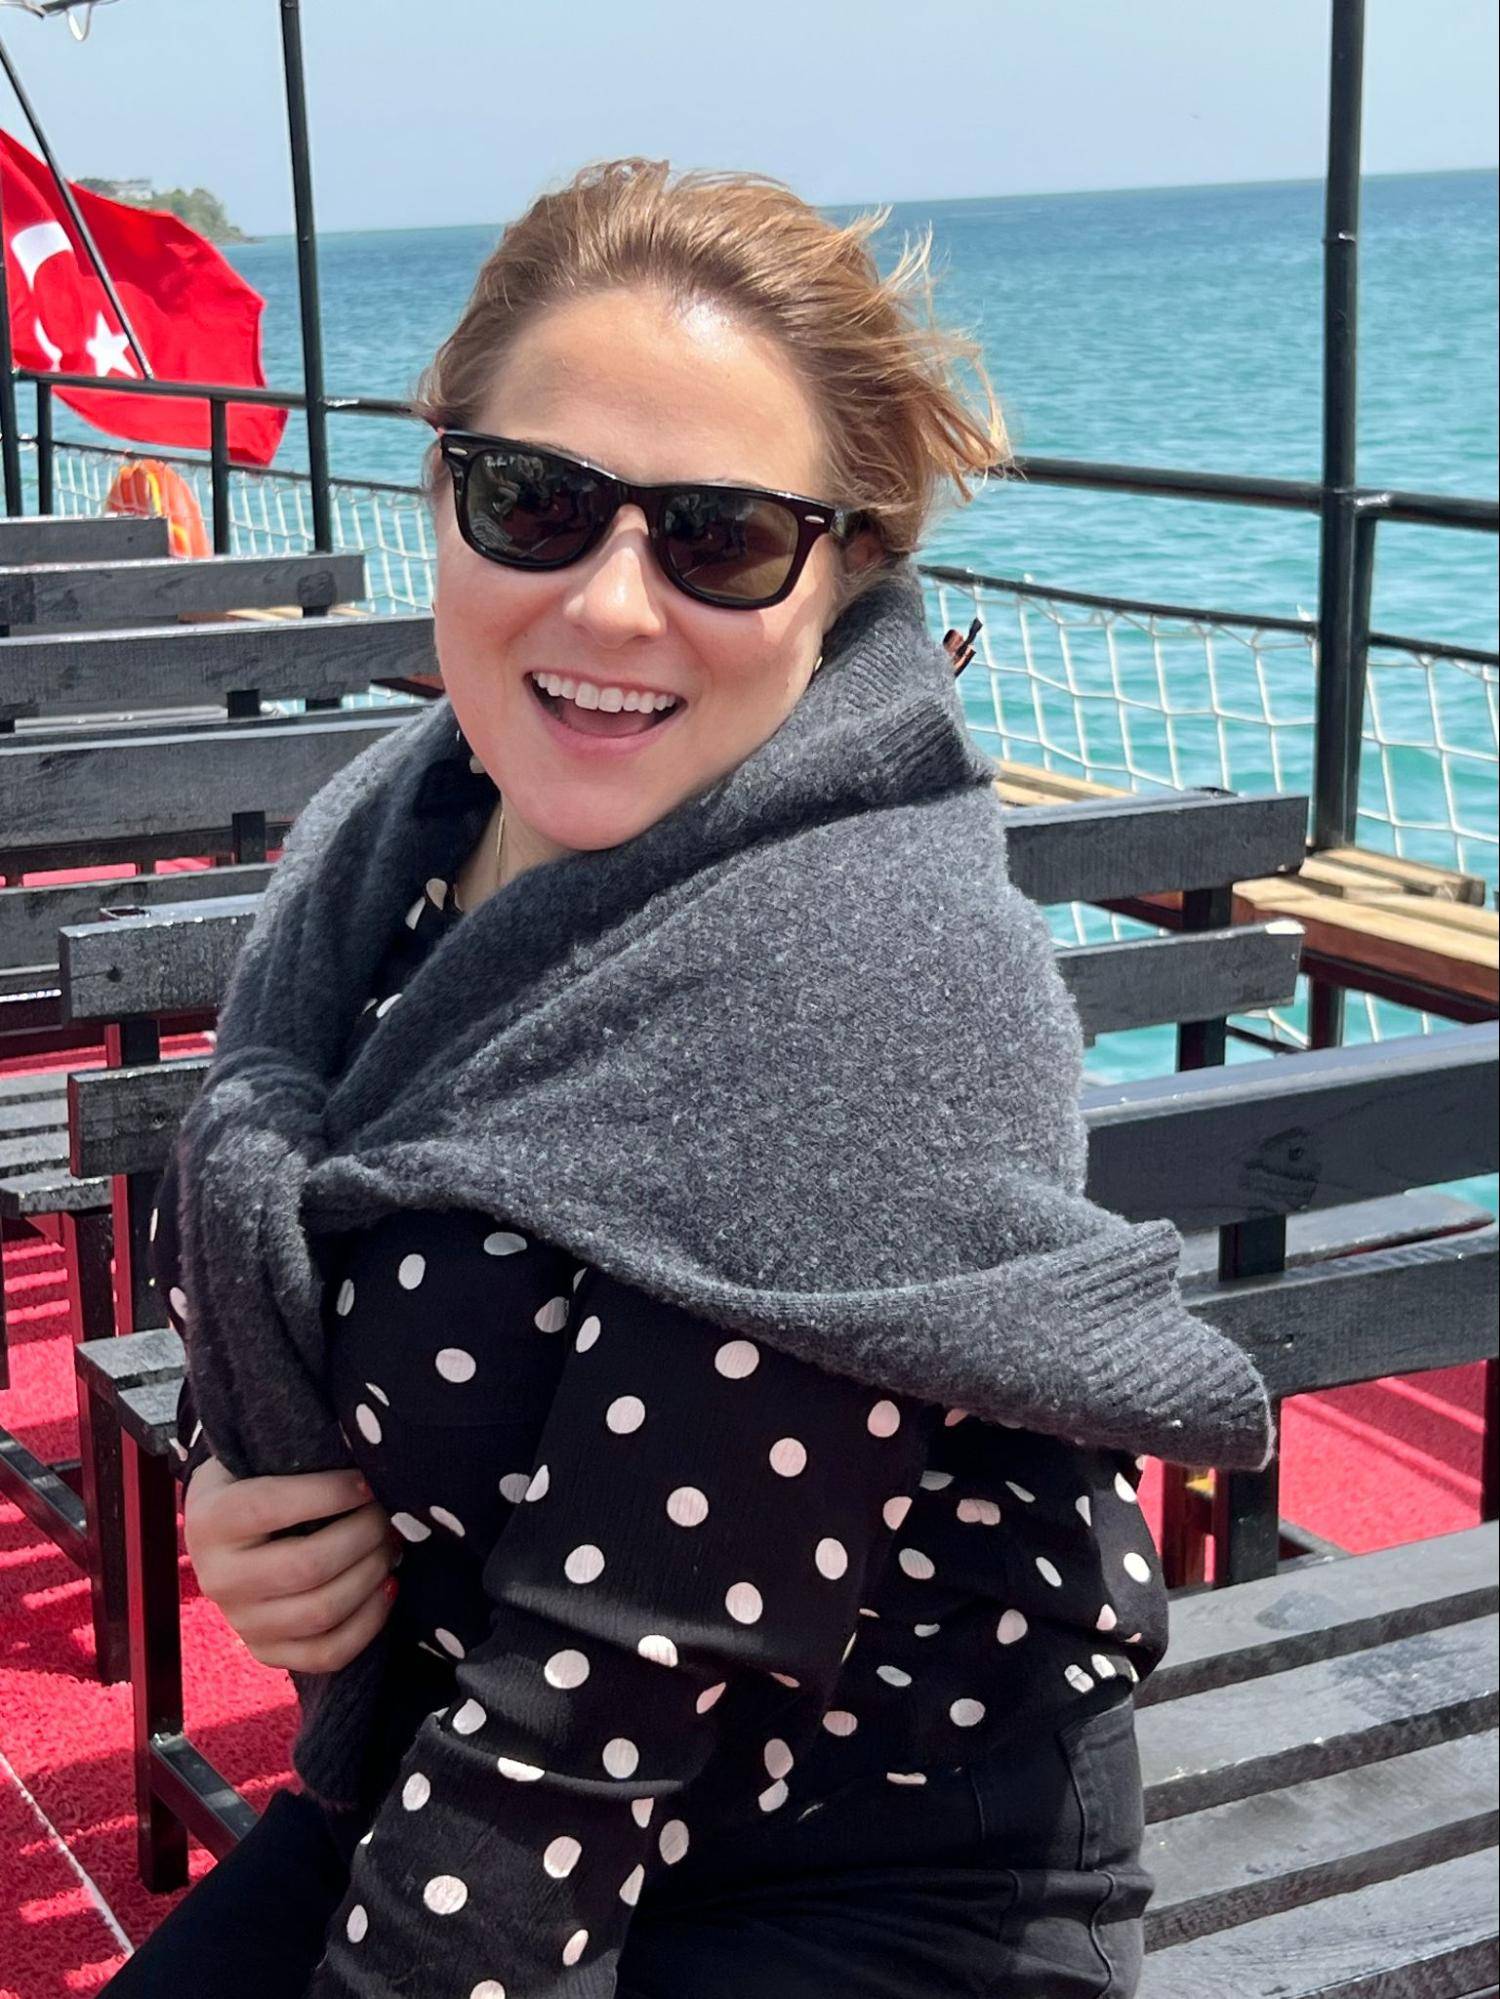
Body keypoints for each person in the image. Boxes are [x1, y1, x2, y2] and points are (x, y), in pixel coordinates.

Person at [103, 157, 1274, 1999]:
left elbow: (589, 1729)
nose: (614, 605)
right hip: (472, 1730)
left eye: (719, 537)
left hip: (857, 1873)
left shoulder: (860, 987)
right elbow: (308, 1251)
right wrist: (247, 1486)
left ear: (852, 571)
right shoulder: (396, 843)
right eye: (536, 503)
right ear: (442, 497)